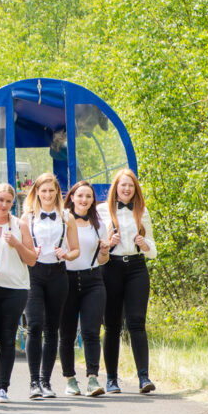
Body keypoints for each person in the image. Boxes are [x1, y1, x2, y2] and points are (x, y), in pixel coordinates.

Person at [98, 169, 157, 394]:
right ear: (116, 187)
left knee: (137, 322)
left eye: (131, 186)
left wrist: (144, 245)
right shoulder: (101, 210)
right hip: (111, 267)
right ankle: (111, 379)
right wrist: (108, 242)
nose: (127, 189)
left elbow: (153, 251)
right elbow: (96, 244)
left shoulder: (142, 212)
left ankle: (144, 376)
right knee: (112, 325)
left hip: (136, 268)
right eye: (123, 185)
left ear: (135, 189)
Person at [21, 173, 79, 400]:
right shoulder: (27, 218)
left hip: (58, 274)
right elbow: (23, 252)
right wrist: (29, 252)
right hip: (34, 275)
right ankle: (33, 381)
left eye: (51, 191)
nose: (47, 195)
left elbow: (75, 250)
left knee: (52, 328)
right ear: (36, 193)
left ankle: (46, 381)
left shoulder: (67, 217)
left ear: (57, 193)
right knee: (34, 325)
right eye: (43, 191)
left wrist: (67, 254)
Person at [0, 183, 36, 403]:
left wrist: (17, 244)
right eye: (0, 200)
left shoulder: (20, 225)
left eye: (8, 201)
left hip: (16, 287)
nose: (4, 205)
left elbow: (31, 259)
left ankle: (2, 387)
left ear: (13, 204)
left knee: (8, 338)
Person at [59, 181, 110, 397]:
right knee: (67, 333)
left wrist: (105, 250)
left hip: (93, 279)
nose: (84, 200)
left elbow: (103, 259)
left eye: (88, 197)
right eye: (80, 196)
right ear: (72, 197)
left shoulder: (98, 225)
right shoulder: (61, 221)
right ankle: (70, 379)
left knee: (91, 331)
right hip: (66, 280)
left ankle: (92, 378)